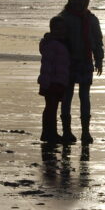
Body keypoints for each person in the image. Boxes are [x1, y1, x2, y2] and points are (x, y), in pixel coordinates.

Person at [58, 0, 103, 145]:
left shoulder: (91, 19)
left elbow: (98, 42)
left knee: (85, 97)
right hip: (68, 63)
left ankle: (85, 131)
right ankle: (66, 131)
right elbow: (57, 39)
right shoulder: (63, 18)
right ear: (69, 0)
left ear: (86, 0)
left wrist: (99, 59)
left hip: (85, 62)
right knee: (67, 97)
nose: (77, 1)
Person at [37, 16, 70, 144]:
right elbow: (47, 64)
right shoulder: (52, 44)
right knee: (51, 107)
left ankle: (50, 132)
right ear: (51, 30)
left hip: (58, 80)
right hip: (51, 81)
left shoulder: (62, 43)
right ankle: (48, 133)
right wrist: (47, 81)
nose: (60, 31)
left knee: (52, 107)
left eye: (62, 29)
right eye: (57, 29)